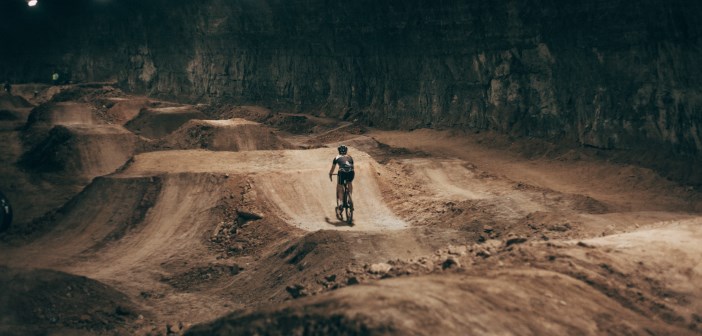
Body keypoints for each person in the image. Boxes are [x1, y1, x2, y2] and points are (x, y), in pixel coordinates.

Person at [328, 145, 355, 214]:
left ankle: (341, 203)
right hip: (351, 172)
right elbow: (352, 166)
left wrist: (330, 174)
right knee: (349, 182)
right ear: (346, 151)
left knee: (340, 186)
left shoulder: (336, 157)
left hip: (342, 172)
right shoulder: (350, 157)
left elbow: (333, 168)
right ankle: (350, 198)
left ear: (339, 151)